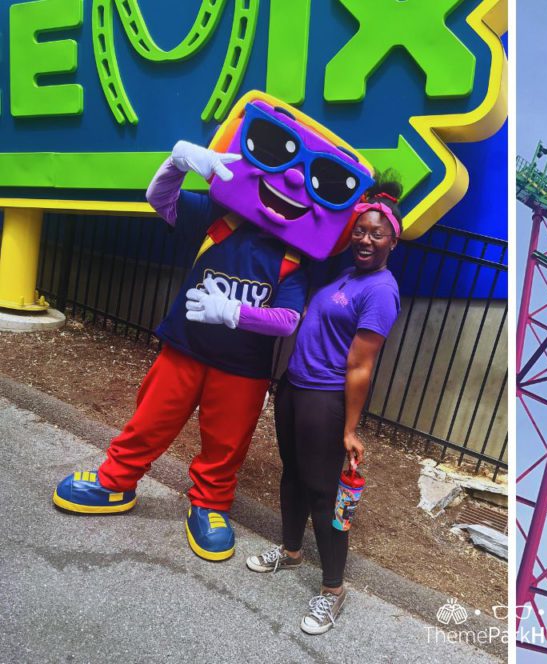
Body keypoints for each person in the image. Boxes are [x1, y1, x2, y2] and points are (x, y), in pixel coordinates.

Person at [52, 95, 374, 561]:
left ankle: (209, 505)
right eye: (274, 154)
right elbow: (159, 201)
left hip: (242, 369)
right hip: (183, 349)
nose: (290, 179)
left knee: (225, 445)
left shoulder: (294, 261)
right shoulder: (217, 220)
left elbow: (287, 321)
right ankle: (115, 482)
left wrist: (234, 313)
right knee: (149, 421)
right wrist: (176, 162)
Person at [245, 180, 403, 635]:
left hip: (325, 397)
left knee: (324, 493)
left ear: (393, 241)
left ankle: (333, 591)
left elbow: (360, 366)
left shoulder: (380, 290)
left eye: (376, 234)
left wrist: (351, 429)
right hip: (295, 386)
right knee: (291, 474)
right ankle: (291, 552)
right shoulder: (346, 274)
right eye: (360, 231)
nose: (366, 240)